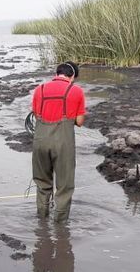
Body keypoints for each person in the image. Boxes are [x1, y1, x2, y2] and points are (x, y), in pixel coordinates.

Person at [31, 61, 86, 223]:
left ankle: (42, 223)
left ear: (56, 74)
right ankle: (61, 228)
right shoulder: (76, 91)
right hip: (63, 143)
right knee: (64, 186)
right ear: (73, 76)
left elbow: (36, 114)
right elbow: (80, 121)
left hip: (40, 141)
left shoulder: (38, 89)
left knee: (42, 183)